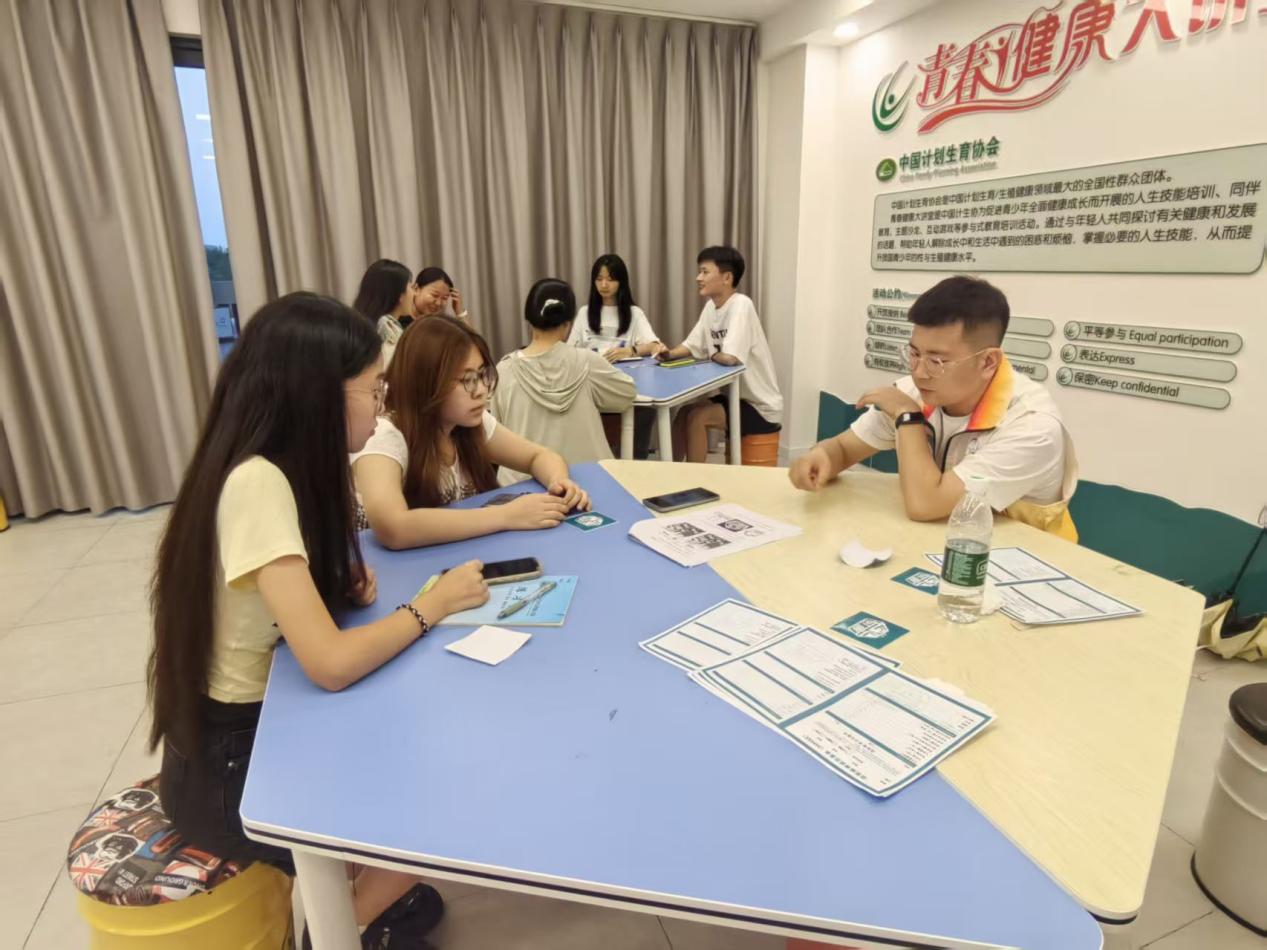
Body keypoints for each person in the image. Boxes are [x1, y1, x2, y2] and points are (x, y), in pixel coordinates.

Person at [147, 293, 490, 947]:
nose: (381, 408)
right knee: (446, 800)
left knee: (410, 751)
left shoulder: (275, 467)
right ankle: (335, 928)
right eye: (373, 391)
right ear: (318, 397)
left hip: (248, 732)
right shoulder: (256, 483)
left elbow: (271, 595)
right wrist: (435, 604)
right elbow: (330, 664)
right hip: (232, 770)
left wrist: (335, 584)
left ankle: (361, 898)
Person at [788, 275, 1079, 539]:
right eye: (914, 353)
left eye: (937, 360)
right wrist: (821, 457)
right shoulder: (915, 392)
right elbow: (843, 449)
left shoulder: (1033, 427)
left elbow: (925, 505)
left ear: (988, 362)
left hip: (1021, 559)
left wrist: (908, 417)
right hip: (944, 542)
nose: (919, 372)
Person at [352, 315, 591, 550]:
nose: (481, 390)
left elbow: (539, 456)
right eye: (467, 379)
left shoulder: (469, 423)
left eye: (482, 375)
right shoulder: (384, 435)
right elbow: (393, 527)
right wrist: (506, 515)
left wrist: (558, 481)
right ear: (426, 382)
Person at [492, 278, 636, 470]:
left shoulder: (503, 370)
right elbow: (626, 393)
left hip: (521, 481)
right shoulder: (587, 362)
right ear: (568, 324)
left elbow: (496, 429)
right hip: (588, 478)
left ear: (529, 319)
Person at [657, 246, 783, 462]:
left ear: (726, 277)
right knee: (684, 413)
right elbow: (692, 345)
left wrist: (712, 355)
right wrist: (668, 354)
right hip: (734, 398)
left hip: (760, 406)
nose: (698, 278)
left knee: (697, 417)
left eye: (705, 272)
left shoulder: (741, 305)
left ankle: (694, 480)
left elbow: (730, 358)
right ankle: (670, 473)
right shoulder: (710, 308)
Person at [567, 254, 665, 361]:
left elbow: (654, 346)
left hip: (624, 369)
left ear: (621, 282)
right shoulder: (584, 312)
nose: (604, 285)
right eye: (599, 279)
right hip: (591, 369)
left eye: (610, 279)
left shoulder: (634, 313)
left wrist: (630, 351)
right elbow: (570, 350)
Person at [352, 259, 416, 366]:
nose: (415, 294)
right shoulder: (387, 328)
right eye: (411, 287)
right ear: (399, 295)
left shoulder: (359, 328)